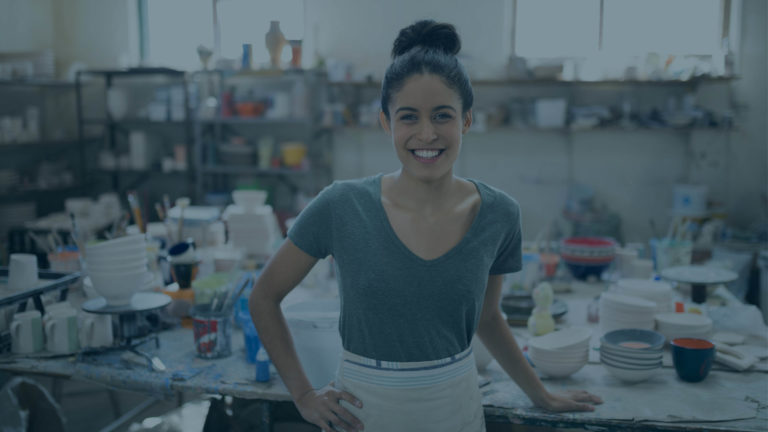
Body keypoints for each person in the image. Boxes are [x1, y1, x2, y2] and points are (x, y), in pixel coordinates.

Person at [249, 19, 602, 432]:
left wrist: (540, 393)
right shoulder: (340, 205)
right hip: (362, 412)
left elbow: (487, 318)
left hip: (455, 407)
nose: (427, 133)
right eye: (409, 117)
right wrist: (304, 395)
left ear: (466, 121)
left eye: (442, 116)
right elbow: (264, 298)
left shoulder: (499, 214)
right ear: (387, 123)